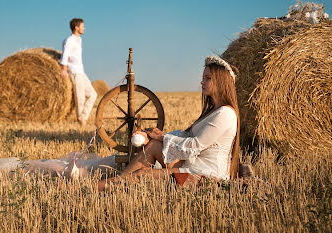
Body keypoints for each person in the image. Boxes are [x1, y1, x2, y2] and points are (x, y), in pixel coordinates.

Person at [98, 55, 240, 191]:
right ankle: (116, 182)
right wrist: (153, 137)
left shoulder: (225, 114)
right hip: (194, 164)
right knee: (153, 145)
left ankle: (100, 186)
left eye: (207, 78)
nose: (202, 82)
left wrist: (162, 137)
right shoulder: (213, 111)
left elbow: (195, 145)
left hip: (207, 174)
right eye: (203, 77)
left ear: (221, 82)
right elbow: (186, 135)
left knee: (144, 173)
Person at [60, 18, 97, 125]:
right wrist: (64, 70)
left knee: (93, 94)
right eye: (82, 26)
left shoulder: (78, 39)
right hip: (75, 72)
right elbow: (65, 55)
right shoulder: (69, 41)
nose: (84, 28)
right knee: (79, 98)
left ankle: (82, 116)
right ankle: (82, 122)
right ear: (76, 27)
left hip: (81, 71)